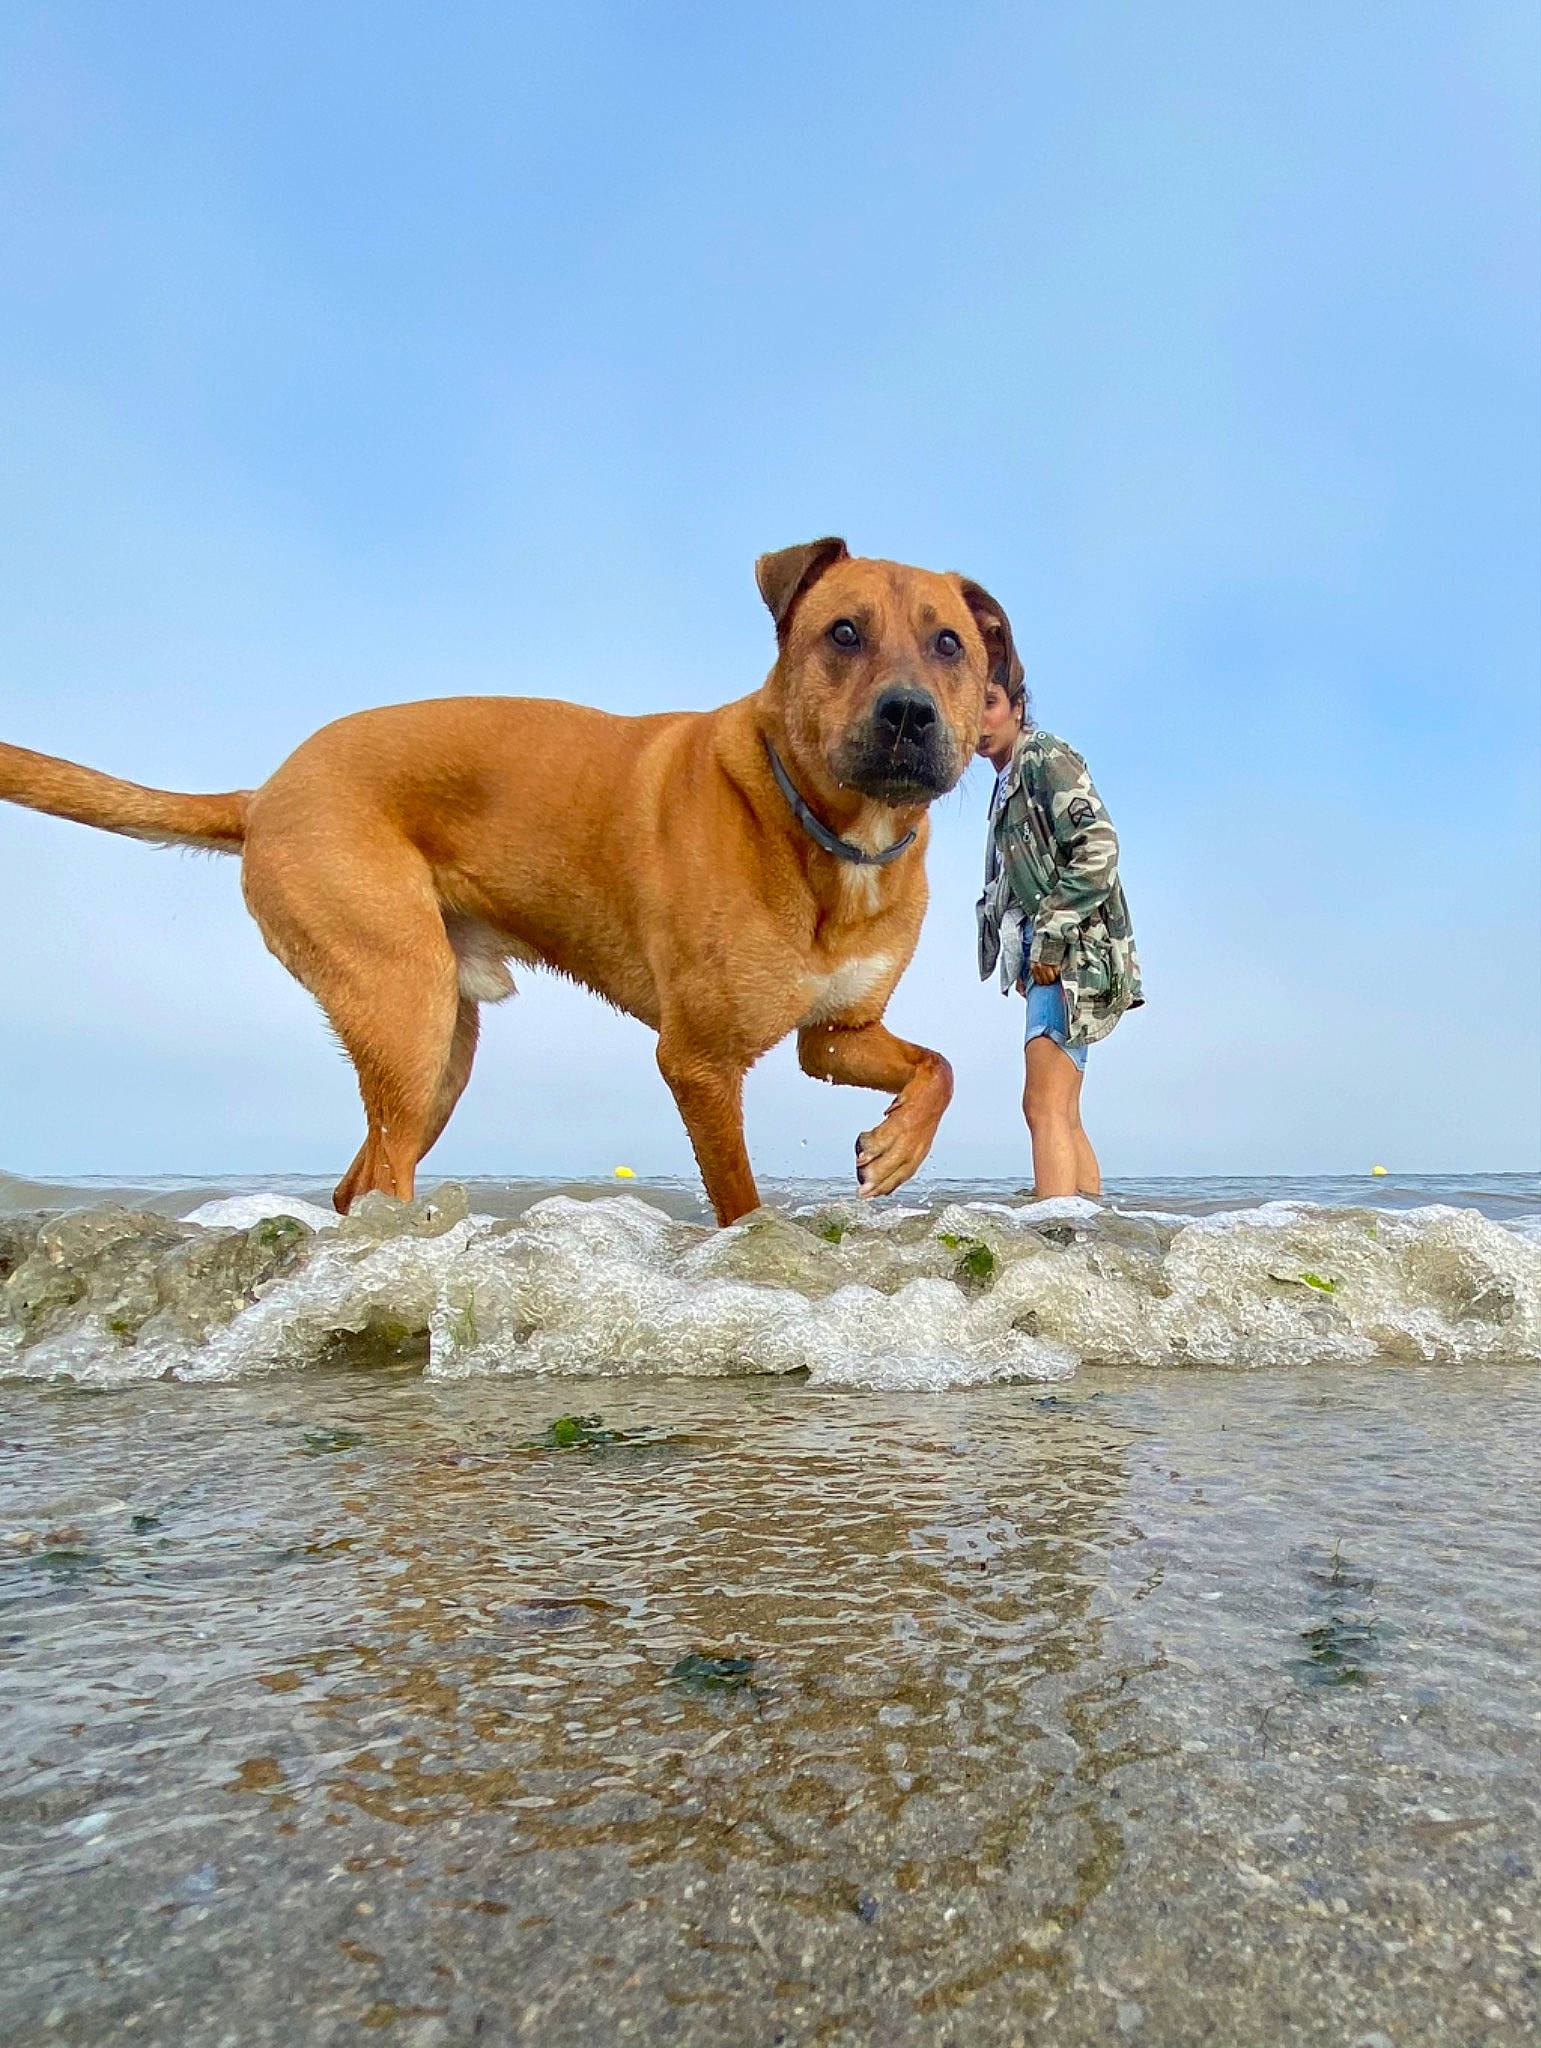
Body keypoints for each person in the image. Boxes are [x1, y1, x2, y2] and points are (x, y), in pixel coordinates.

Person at [976, 667, 1142, 1198]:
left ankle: (1055, 1234)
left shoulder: (1043, 756)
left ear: (1018, 706)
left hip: (1070, 953)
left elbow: (1099, 846)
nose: (977, 720)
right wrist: (1019, 955)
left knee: (1042, 1106)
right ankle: (1090, 1230)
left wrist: (1048, 937)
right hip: (1053, 955)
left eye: (989, 703)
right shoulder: (1008, 779)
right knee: (1063, 1111)